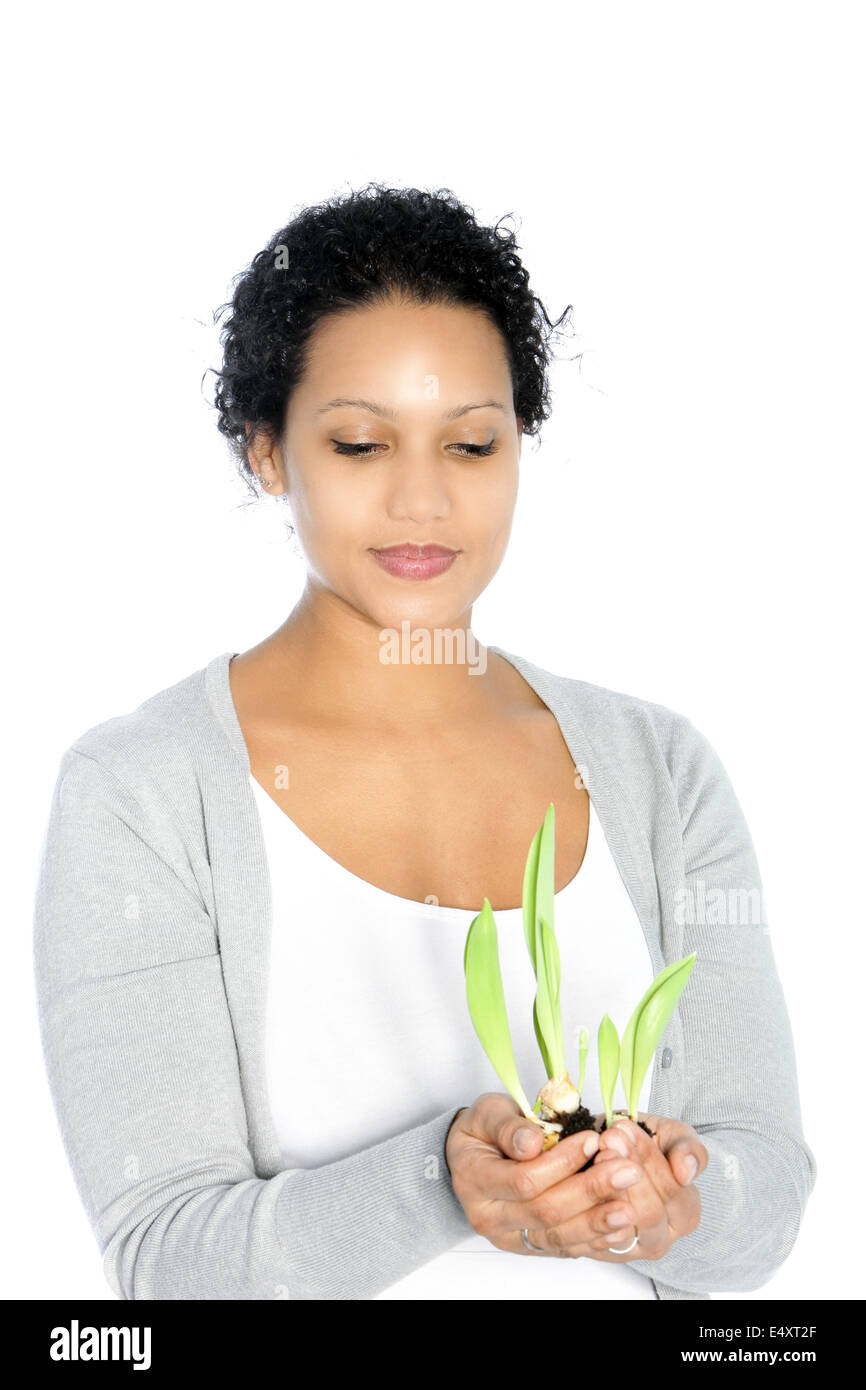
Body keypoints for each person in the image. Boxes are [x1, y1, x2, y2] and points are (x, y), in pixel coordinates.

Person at [32, 183, 816, 1301]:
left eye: (469, 444)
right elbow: (167, 1265)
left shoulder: (657, 768)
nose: (421, 500)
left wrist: (672, 1202)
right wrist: (444, 1179)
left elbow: (766, 1201)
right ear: (265, 452)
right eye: (358, 442)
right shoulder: (143, 792)